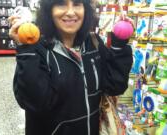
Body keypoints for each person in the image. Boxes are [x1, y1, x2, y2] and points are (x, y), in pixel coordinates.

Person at [8, 0, 133, 135]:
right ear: (49, 10)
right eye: (61, 4)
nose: (70, 12)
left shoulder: (94, 43)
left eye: (77, 4)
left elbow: (115, 86)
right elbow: (35, 103)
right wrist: (26, 49)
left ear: (85, 9)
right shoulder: (37, 50)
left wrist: (119, 45)